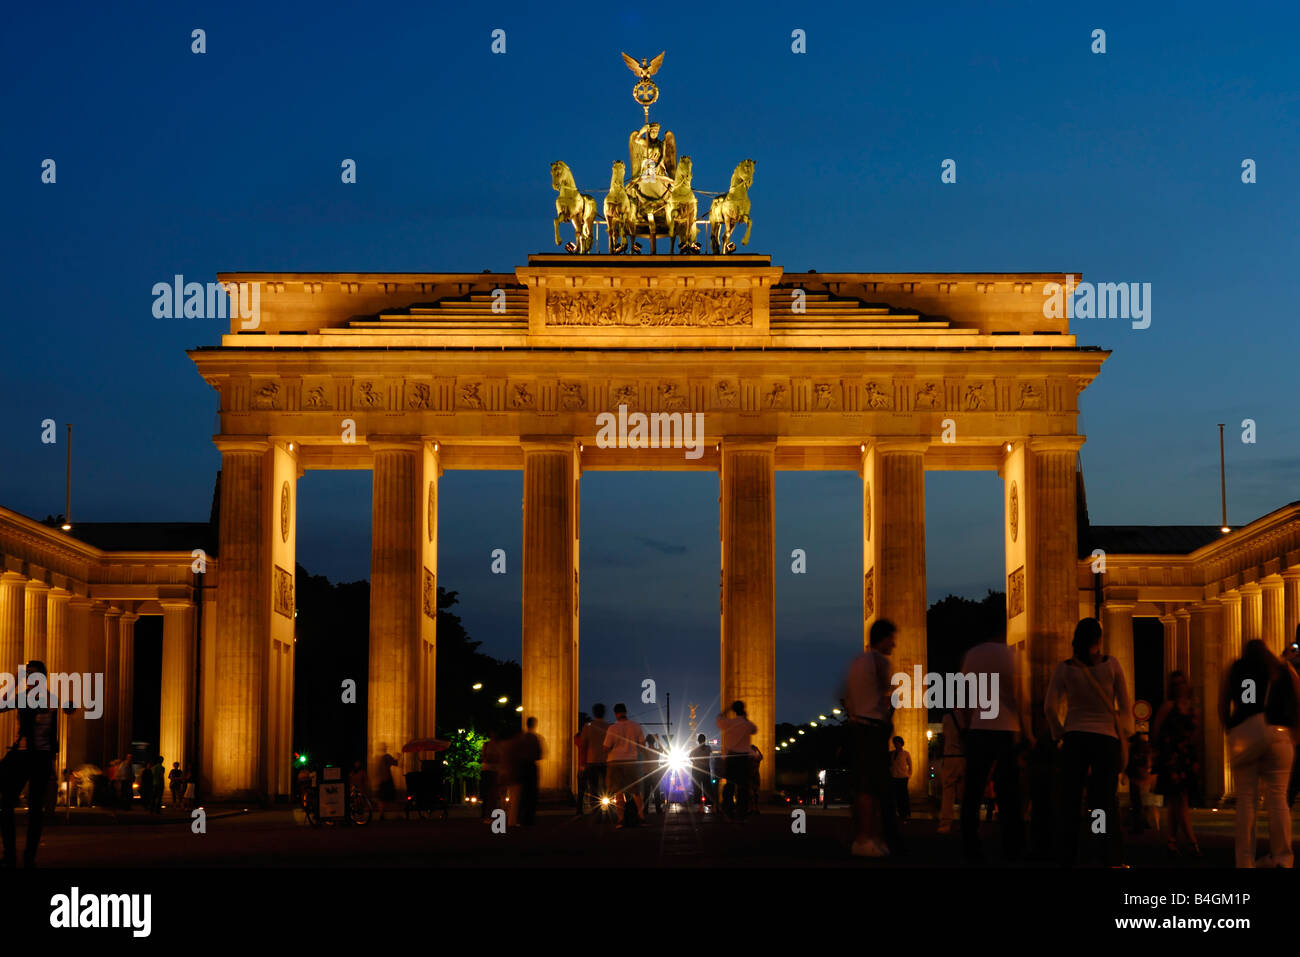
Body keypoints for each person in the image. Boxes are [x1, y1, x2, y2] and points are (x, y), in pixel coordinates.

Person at [1045, 617, 1132, 867]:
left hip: (1075, 737)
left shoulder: (1065, 668)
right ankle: (1104, 850)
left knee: (1070, 800)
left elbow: (1050, 707)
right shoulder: (1112, 665)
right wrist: (1124, 734)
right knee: (1103, 801)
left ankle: (1069, 853)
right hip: (1106, 739)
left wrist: (1059, 733)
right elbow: (1125, 706)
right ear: (1099, 639)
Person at [1221, 638, 1300, 867]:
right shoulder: (1283, 669)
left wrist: (1230, 727)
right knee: (1278, 800)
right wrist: (1295, 733)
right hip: (1279, 733)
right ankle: (1283, 858)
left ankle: (1244, 860)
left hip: (1246, 733)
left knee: (1246, 800)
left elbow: (1222, 703)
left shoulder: (1236, 668)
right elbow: (1298, 699)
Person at [959, 635, 1031, 862]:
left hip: (979, 729)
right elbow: (1022, 696)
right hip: (1006, 729)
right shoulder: (1014, 656)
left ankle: (969, 845)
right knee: (1009, 792)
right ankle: (1013, 846)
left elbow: (964, 696)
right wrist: (1027, 732)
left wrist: (968, 725)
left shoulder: (972, 655)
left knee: (973, 792)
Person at [0, 660, 74, 868]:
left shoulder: (43, 699)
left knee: (33, 809)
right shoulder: (30, 698)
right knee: (9, 805)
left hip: (37, 756)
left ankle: (23, 856)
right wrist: (15, 680)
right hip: (25, 754)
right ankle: (14, 854)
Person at [841, 619, 900, 858]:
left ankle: (866, 838)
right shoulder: (880, 662)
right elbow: (887, 698)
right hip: (873, 729)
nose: (894, 644)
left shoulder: (857, 662)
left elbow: (847, 698)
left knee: (864, 786)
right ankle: (868, 838)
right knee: (872, 787)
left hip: (857, 727)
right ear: (883, 638)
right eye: (892, 638)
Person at [1151, 671, 1200, 856]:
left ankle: (1171, 841)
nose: (1180, 686)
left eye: (1182, 683)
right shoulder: (1168, 707)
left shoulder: (1194, 709)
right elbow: (1155, 731)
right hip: (1171, 757)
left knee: (1175, 800)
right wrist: (1158, 754)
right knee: (1181, 800)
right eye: (1176, 684)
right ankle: (1191, 841)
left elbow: (1196, 736)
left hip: (1186, 757)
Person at [603, 703, 645, 828]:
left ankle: (621, 819)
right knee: (635, 791)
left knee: (618, 791)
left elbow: (605, 747)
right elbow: (642, 744)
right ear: (625, 712)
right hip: (631, 760)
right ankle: (641, 815)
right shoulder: (636, 726)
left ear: (616, 714)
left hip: (615, 761)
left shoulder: (612, 728)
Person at [716, 701, 758, 821]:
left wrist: (726, 710)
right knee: (743, 786)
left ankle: (728, 809)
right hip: (743, 758)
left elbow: (719, 719)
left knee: (729, 785)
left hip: (731, 757)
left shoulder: (728, 723)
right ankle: (742, 811)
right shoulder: (747, 724)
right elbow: (754, 729)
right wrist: (745, 717)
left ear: (734, 710)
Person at [577, 704, 609, 815]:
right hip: (606, 761)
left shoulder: (588, 726)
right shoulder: (608, 726)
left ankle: (596, 811)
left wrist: (582, 763)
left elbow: (582, 746)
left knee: (593, 787)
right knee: (605, 787)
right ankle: (606, 808)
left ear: (594, 713)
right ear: (604, 713)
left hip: (592, 761)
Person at [937, 710, 964, 833]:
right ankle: (966, 822)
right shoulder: (969, 717)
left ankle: (945, 823)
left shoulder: (946, 718)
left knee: (948, 792)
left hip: (949, 757)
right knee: (964, 793)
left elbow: (944, 737)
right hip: (964, 757)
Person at [515, 717, 544, 826]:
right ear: (534, 725)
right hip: (532, 766)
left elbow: (516, 753)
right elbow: (540, 754)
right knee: (532, 793)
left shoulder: (521, 738)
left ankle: (520, 817)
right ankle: (529, 818)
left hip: (522, 766)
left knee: (523, 793)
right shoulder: (536, 738)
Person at [480, 730, 502, 820]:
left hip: (492, 770)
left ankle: (489, 813)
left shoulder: (498, 745)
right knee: (488, 793)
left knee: (492, 794)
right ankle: (486, 814)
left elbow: (486, 757)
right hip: (489, 770)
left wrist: (491, 758)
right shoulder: (487, 745)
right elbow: (484, 758)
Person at [890, 737, 912, 820]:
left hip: (903, 777)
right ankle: (900, 812)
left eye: (898, 743)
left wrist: (909, 774)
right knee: (896, 796)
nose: (896, 744)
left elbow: (910, 765)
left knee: (904, 796)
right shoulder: (892, 754)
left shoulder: (906, 753)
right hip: (894, 777)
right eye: (895, 743)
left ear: (901, 743)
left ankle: (906, 812)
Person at [689, 733, 713, 807]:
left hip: (697, 770)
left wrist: (696, 762)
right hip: (706, 769)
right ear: (705, 740)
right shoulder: (709, 748)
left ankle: (697, 802)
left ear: (698, 741)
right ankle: (708, 802)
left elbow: (690, 757)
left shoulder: (695, 750)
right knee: (707, 787)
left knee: (697, 787)